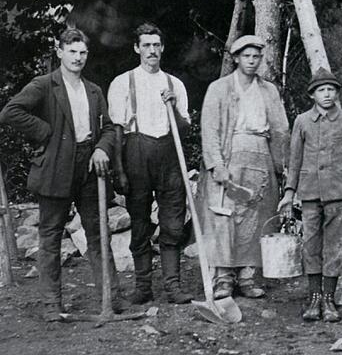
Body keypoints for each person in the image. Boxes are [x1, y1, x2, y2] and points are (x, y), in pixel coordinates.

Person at [0, 28, 125, 321]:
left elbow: (107, 127)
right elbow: (10, 112)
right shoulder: (45, 85)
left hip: (89, 166)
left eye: (82, 52)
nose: (78, 58)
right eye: (72, 51)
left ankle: (110, 298)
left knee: (97, 233)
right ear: (59, 52)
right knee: (50, 237)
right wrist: (46, 133)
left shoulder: (93, 90)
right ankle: (51, 304)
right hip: (56, 166)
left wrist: (102, 149)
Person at [197, 35, 290, 300]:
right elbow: (210, 128)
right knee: (224, 216)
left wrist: (281, 165)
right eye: (246, 56)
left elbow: (281, 129)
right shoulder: (219, 88)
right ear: (236, 58)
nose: (251, 61)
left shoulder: (269, 90)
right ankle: (224, 277)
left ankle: (248, 276)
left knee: (257, 216)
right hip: (230, 154)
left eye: (256, 56)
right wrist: (215, 163)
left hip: (259, 154)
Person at [108, 23, 193, 304]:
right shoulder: (123, 82)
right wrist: (119, 170)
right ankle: (143, 287)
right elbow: (117, 130)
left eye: (156, 45)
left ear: (163, 48)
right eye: (146, 45)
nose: (152, 51)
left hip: (169, 155)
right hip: (136, 154)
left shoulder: (174, 84)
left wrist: (174, 107)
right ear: (137, 48)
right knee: (140, 223)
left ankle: (172, 287)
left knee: (173, 224)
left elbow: (183, 129)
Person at [278, 67, 342, 322]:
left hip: (338, 193)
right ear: (312, 95)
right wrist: (289, 192)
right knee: (311, 245)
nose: (326, 95)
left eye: (330, 90)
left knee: (336, 247)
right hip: (310, 194)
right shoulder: (302, 121)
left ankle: (328, 300)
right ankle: (314, 298)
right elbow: (294, 161)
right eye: (321, 90)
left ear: (337, 93)